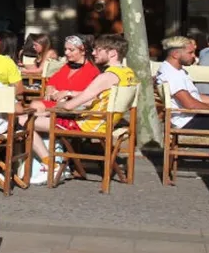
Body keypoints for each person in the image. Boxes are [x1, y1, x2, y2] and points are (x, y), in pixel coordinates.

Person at [26, 34, 136, 184]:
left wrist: (54, 107)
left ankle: (50, 163)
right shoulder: (128, 74)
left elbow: (70, 106)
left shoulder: (106, 77)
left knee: (25, 120)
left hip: (87, 124)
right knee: (39, 112)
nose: (94, 53)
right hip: (104, 121)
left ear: (112, 53)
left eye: (98, 50)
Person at [154, 36, 209, 129]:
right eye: (190, 53)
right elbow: (190, 104)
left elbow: (194, 97)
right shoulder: (172, 74)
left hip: (191, 116)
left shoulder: (175, 70)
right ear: (175, 54)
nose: (194, 56)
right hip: (188, 120)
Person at [34, 35, 99, 105]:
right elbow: (52, 82)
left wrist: (68, 93)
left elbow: (93, 95)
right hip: (56, 104)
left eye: (71, 50)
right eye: (65, 49)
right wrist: (49, 91)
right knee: (34, 105)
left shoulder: (92, 71)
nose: (66, 53)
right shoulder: (66, 67)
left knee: (36, 106)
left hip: (74, 107)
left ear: (83, 52)